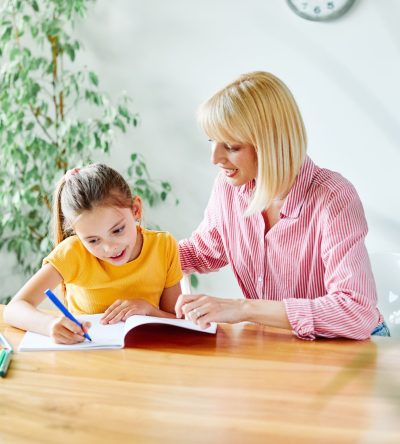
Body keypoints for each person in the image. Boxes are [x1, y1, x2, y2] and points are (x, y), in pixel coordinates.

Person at [175, 71, 389, 340]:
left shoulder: (333, 198)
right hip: (284, 343)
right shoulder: (229, 188)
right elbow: (201, 252)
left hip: (355, 347)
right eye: (212, 141)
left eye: (230, 146)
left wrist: (244, 309)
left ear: (269, 144)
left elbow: (355, 312)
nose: (215, 157)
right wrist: (130, 246)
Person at [4, 164, 182, 344]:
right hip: (88, 358)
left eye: (118, 230)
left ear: (136, 210)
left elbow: (178, 322)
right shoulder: (72, 253)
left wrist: (148, 310)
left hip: (148, 356)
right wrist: (49, 325)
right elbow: (13, 309)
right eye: (93, 240)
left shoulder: (163, 246)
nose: (109, 248)